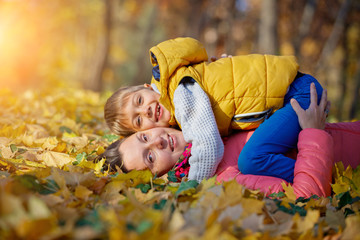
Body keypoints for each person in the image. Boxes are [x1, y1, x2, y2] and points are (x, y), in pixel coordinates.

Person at [105, 37, 324, 183]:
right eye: (139, 120)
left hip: (297, 94)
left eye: (140, 101)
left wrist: (194, 186)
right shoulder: (177, 95)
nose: (147, 111)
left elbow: (209, 146)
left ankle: (320, 176)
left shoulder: (181, 94)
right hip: (290, 94)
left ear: (147, 87)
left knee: (252, 158)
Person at [99, 84, 360, 197]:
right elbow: (307, 196)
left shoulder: (206, 123)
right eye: (150, 157)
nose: (156, 142)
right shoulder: (225, 180)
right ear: (160, 176)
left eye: (144, 136)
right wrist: (312, 133)